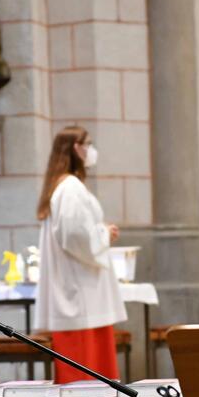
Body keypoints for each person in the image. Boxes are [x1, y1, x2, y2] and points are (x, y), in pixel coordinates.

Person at [33, 125, 127, 383]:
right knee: (85, 378)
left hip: (82, 293)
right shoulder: (71, 187)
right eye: (87, 143)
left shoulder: (63, 186)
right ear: (75, 148)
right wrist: (103, 235)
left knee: (92, 374)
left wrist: (99, 231)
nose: (91, 149)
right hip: (81, 295)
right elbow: (75, 235)